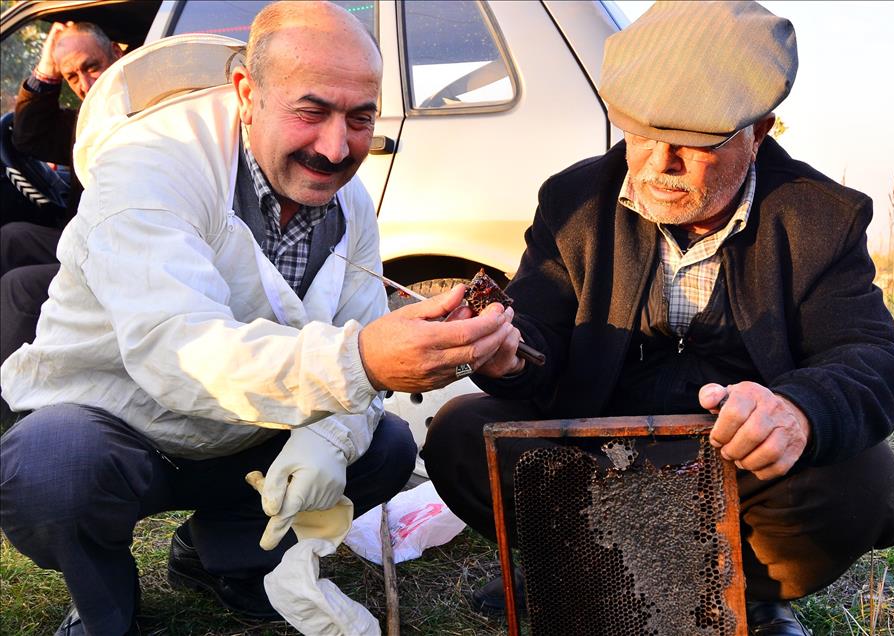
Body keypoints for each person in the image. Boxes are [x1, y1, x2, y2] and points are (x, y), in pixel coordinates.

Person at [0, 2, 517, 634]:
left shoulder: (349, 202)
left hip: (240, 438)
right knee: (52, 468)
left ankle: (222, 555)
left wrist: (330, 438)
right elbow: (178, 350)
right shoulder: (147, 168)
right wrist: (361, 360)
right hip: (117, 428)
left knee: (383, 447)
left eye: (359, 117)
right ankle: (103, 600)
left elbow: (356, 334)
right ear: (248, 93)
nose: (336, 147)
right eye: (311, 110)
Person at [422, 3, 894, 635]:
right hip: (594, 461)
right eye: (642, 134)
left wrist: (796, 412)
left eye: (694, 143)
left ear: (759, 131)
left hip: (736, 475)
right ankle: (570, 562)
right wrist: (510, 352)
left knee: (864, 481)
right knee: (462, 429)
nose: (660, 165)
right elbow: (539, 329)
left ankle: (744, 592)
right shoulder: (572, 201)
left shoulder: (820, 216)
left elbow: (874, 359)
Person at [1, 22, 123, 413]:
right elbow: (28, 137)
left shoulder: (148, 114)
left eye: (93, 67)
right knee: (11, 238)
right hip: (85, 239)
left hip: (122, 255)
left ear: (118, 56)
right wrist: (46, 70)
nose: (86, 84)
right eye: (73, 76)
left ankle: (11, 405)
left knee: (19, 288)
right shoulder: (85, 121)